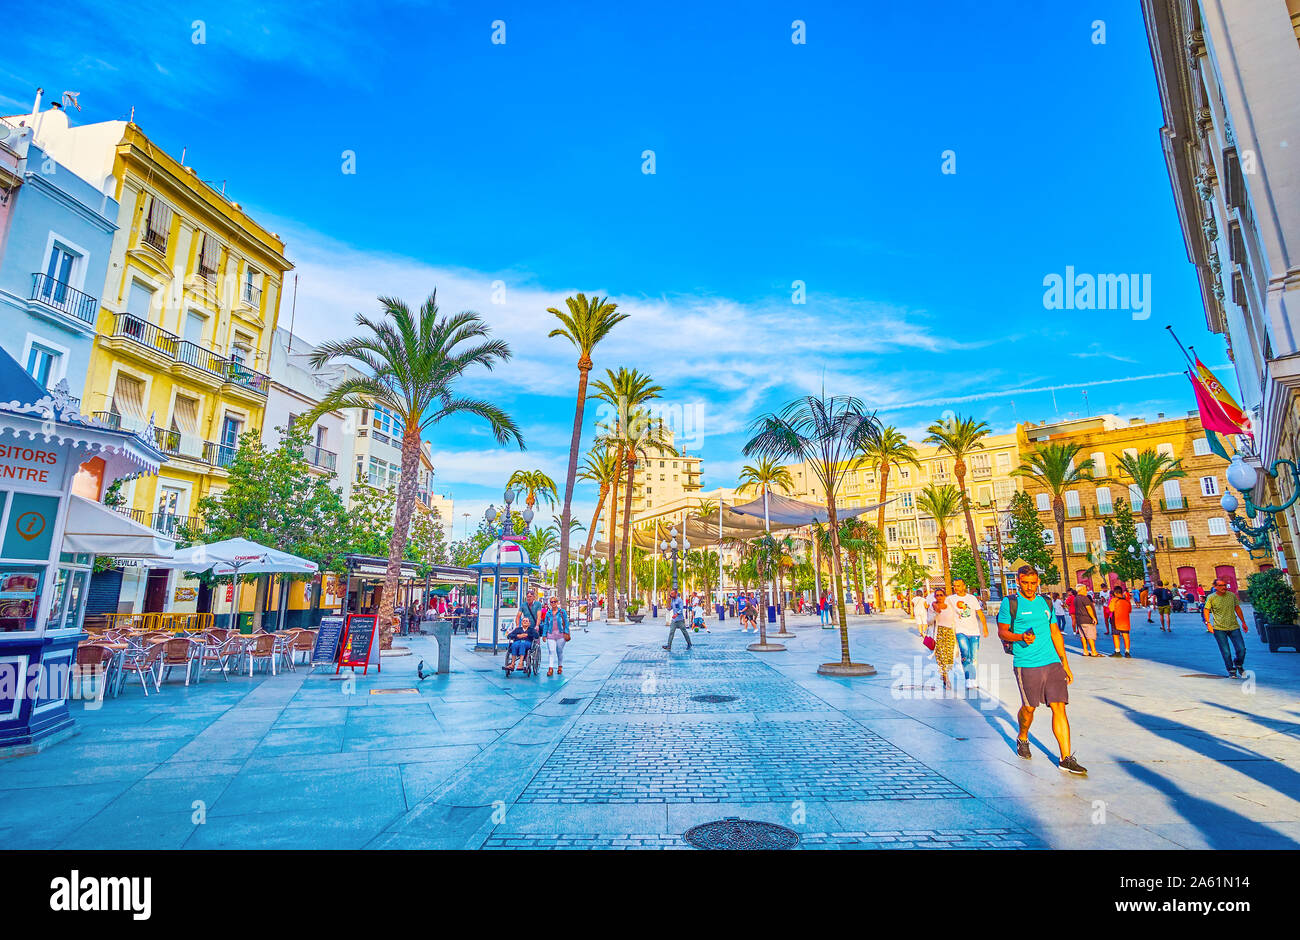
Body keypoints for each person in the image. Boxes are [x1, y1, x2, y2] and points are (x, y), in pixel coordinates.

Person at [997, 564, 1086, 775]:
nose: (1029, 587)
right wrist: (1020, 637)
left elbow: (1055, 632)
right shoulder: (1010, 603)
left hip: (1051, 662)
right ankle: (1023, 736)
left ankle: (1065, 757)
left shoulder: (1045, 602)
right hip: (1026, 663)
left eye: (1033, 583)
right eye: (1025, 583)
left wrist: (1064, 663)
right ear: (1018, 582)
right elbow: (1002, 632)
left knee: (1059, 707)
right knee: (1029, 708)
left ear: (1038, 582)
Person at [1203, 577, 1249, 678]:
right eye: (1221, 585)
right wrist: (1208, 623)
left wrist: (1243, 622)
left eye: (1225, 585)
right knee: (1226, 651)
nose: (1224, 587)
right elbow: (1206, 610)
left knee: (1241, 649)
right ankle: (1231, 670)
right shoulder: (1211, 597)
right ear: (1215, 587)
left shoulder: (1231, 596)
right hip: (1219, 628)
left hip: (1234, 626)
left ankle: (1238, 663)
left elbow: (1237, 608)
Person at [949, 577, 987, 690]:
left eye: (958, 585)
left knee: (973, 657)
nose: (956, 588)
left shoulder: (972, 599)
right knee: (965, 654)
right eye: (955, 586)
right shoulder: (950, 599)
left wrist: (985, 627)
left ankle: (973, 678)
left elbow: (980, 614)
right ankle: (967, 679)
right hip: (960, 631)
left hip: (974, 631)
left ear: (964, 586)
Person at [929, 586, 956, 691]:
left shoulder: (950, 607)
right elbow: (929, 621)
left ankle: (945, 673)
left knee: (949, 657)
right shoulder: (933, 607)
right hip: (938, 633)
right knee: (941, 657)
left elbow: (955, 620)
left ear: (945, 596)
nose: (939, 597)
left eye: (941, 595)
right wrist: (936, 612)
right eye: (937, 595)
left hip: (949, 632)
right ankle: (946, 678)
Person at [539, 594, 571, 677]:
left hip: (561, 635)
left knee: (559, 651)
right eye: (551, 602)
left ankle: (560, 666)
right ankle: (550, 668)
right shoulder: (548, 613)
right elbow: (545, 624)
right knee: (551, 651)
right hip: (551, 635)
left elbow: (566, 623)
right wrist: (544, 635)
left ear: (557, 602)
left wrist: (566, 632)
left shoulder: (562, 612)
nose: (553, 603)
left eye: (554, 602)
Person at [504, 607, 539, 674]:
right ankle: (512, 664)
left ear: (529, 623)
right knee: (514, 644)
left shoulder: (531, 630)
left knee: (522, 643)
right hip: (517, 643)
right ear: (521, 623)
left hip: (528, 643)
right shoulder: (518, 629)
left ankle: (520, 663)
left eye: (526, 621)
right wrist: (517, 636)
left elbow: (536, 636)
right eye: (523, 621)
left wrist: (527, 635)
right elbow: (509, 635)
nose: (525, 622)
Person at [1073, 588, 1101, 656]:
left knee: (1083, 636)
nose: (1086, 591)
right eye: (1085, 590)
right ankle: (1093, 651)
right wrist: (1093, 617)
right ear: (1081, 590)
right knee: (1090, 635)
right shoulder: (1084, 598)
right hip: (1087, 619)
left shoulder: (1076, 598)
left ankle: (1085, 651)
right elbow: (1088, 608)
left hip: (1079, 619)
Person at [1108, 585, 1134, 658]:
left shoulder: (1114, 600)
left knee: (1116, 636)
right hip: (1125, 621)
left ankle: (1117, 651)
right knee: (1126, 637)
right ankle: (1127, 652)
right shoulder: (1126, 600)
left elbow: (1111, 609)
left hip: (1116, 620)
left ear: (1115, 593)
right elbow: (1129, 610)